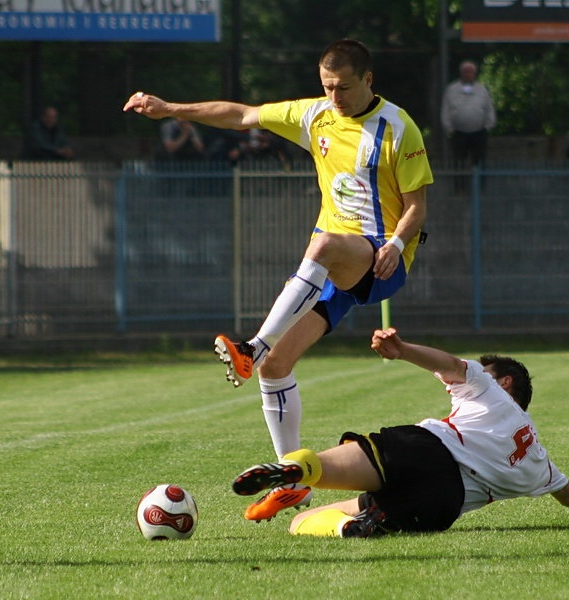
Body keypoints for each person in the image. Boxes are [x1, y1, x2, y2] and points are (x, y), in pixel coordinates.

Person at [122, 39, 433, 522]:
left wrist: (394, 245)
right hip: (332, 269)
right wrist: (170, 110)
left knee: (324, 244)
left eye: (345, 87)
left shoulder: (398, 126)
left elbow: (417, 206)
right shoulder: (315, 116)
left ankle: (253, 346)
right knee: (277, 369)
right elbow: (241, 115)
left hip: (381, 258)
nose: (335, 97)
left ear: (369, 80)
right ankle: (293, 479)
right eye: (327, 86)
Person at [232, 328, 569, 538]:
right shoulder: (538, 461)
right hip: (441, 502)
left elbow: (448, 364)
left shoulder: (489, 389)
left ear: (506, 384)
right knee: (325, 519)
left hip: (426, 449)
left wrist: (403, 349)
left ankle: (294, 472)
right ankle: (349, 527)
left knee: (316, 475)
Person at [441, 60, 496, 168]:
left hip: (479, 132)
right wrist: (449, 128)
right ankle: (460, 184)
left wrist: (488, 126)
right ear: (461, 73)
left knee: (479, 162)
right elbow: (445, 110)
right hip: (458, 133)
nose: (468, 74)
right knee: (459, 162)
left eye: (471, 72)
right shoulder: (452, 89)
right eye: (466, 72)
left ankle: (479, 184)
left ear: (474, 74)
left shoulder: (482, 89)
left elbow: (489, 108)